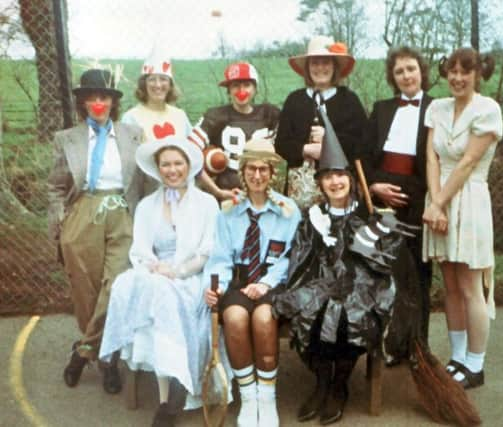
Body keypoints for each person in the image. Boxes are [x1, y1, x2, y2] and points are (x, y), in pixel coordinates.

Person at [272, 108, 399, 425]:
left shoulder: (370, 218)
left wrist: (355, 278)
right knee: (310, 309)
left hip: (362, 289)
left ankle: (340, 385)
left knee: (347, 314)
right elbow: (301, 261)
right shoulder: (311, 219)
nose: (335, 181)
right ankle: (322, 382)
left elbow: (380, 267)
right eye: (328, 176)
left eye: (340, 175)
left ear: (351, 179)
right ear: (320, 183)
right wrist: (316, 286)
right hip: (319, 284)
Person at [99, 137, 225, 427]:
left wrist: (177, 272)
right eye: (165, 164)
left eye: (178, 163)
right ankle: (169, 394)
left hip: (192, 278)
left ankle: (171, 398)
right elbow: (140, 250)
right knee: (126, 285)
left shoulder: (207, 204)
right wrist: (154, 267)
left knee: (162, 294)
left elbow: (208, 251)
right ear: (157, 169)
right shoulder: (146, 205)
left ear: (189, 165)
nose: (172, 170)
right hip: (156, 276)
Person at [47, 68, 145, 393]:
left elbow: (146, 179)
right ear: (83, 102)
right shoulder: (67, 138)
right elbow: (56, 187)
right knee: (86, 290)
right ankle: (107, 358)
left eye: (104, 97)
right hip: (83, 211)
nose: (98, 102)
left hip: (121, 211)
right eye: (92, 97)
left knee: (115, 286)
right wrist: (61, 223)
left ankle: (86, 350)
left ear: (113, 102)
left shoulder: (133, 134)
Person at [203, 139, 301, 427]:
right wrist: (217, 286)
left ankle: (266, 397)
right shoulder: (229, 210)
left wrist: (267, 284)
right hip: (239, 282)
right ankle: (248, 396)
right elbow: (220, 256)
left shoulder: (288, 210)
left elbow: (291, 256)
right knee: (233, 317)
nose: (257, 176)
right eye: (250, 169)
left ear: (273, 174)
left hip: (274, 282)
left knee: (263, 318)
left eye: (263, 169)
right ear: (242, 172)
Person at [422, 47, 503, 389]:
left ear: (477, 74)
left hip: (467, 199)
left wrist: (438, 203)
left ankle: (475, 364)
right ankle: (457, 359)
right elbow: (431, 157)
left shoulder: (488, 110)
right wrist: (436, 202)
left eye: (464, 72)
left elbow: (468, 162)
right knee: (450, 286)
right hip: (438, 198)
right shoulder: (436, 108)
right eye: (451, 71)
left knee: (471, 288)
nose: (457, 78)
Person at [362, 46, 433, 363]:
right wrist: (376, 186)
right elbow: (363, 156)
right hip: (381, 198)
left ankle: (419, 347)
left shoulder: (436, 108)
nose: (406, 75)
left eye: (411, 69)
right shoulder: (381, 109)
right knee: (386, 275)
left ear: (422, 71)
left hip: (418, 199)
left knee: (418, 276)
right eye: (399, 71)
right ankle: (392, 345)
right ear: (393, 77)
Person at [122, 49, 231, 199]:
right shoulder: (131, 118)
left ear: (170, 84)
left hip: (183, 195)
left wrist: (216, 191)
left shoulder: (179, 116)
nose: (158, 85)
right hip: (150, 196)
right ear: (144, 84)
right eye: (152, 79)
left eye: (163, 79)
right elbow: (128, 168)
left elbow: (193, 160)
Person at [275, 35, 367, 210]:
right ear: (307, 68)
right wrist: (305, 149)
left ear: (335, 66)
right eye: (315, 63)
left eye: (326, 63)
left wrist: (329, 141)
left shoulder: (349, 101)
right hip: (301, 191)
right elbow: (281, 144)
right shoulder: (294, 100)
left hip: (339, 188)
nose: (320, 68)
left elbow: (363, 143)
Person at [188, 62, 281, 191]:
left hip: (263, 193)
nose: (241, 91)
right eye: (235, 86)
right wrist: (216, 190)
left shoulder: (269, 114)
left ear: (255, 88)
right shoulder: (216, 116)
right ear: (229, 90)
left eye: (247, 85)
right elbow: (188, 151)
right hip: (228, 193)